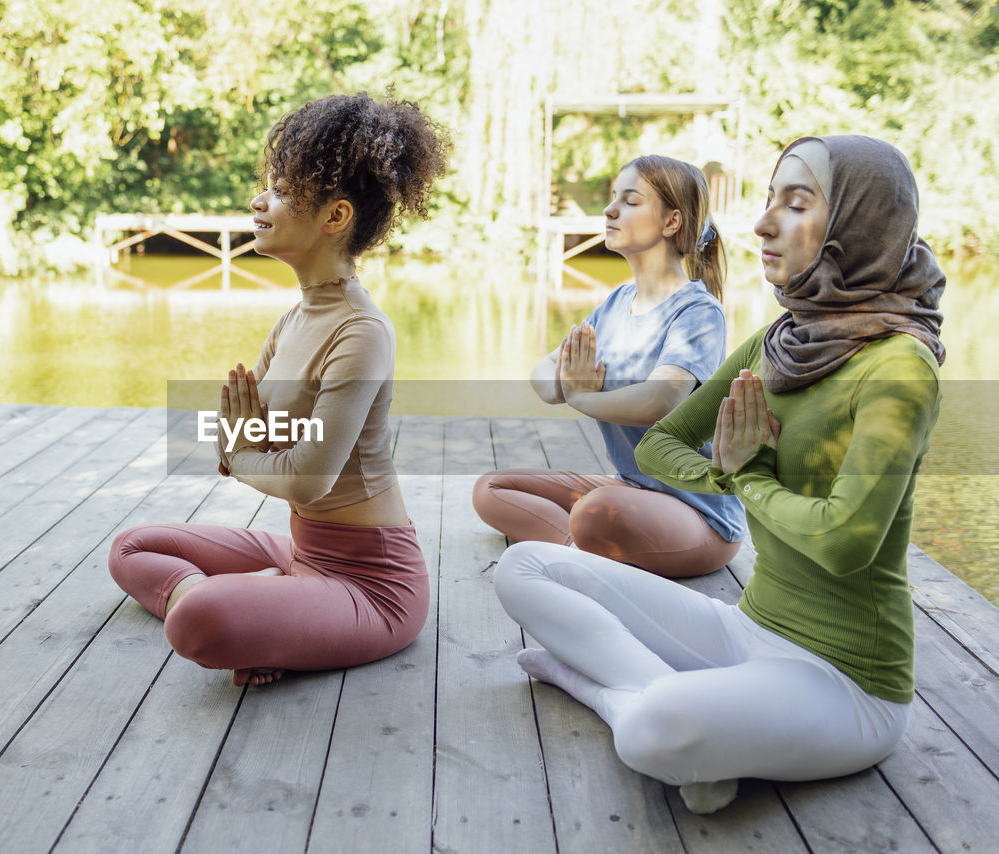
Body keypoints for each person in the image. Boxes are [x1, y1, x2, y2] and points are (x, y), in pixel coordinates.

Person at [493, 135, 945, 814]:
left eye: (796, 204)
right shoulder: (782, 340)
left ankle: (599, 689)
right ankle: (683, 717)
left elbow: (845, 541)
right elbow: (659, 448)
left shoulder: (900, 366)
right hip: (748, 629)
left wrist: (750, 475)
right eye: (769, 200)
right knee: (523, 569)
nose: (763, 223)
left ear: (860, 222)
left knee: (649, 729)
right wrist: (733, 474)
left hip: (847, 684)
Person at [108, 93, 450, 687]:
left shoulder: (361, 331)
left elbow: (305, 475)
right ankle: (266, 606)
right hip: (300, 554)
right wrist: (242, 449)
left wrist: (242, 456)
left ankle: (253, 609)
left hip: (372, 585)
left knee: (196, 621)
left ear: (334, 217)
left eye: (281, 190)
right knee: (132, 548)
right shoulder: (293, 320)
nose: (258, 200)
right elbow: (240, 440)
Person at [473, 155, 746, 577]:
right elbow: (543, 378)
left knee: (596, 511)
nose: (610, 210)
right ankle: (582, 550)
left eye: (630, 201)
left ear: (671, 222)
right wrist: (567, 385)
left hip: (697, 512)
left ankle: (585, 546)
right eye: (613, 198)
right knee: (491, 489)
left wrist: (581, 396)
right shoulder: (618, 302)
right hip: (632, 492)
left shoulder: (697, 311)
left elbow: (659, 400)